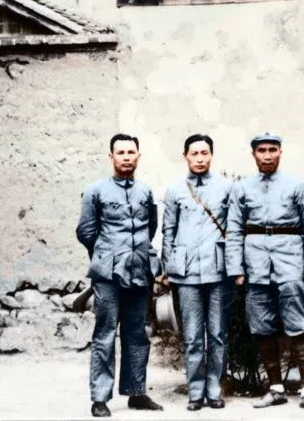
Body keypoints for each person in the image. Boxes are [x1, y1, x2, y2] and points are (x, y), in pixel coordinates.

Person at [225, 133, 304, 412]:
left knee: (300, 324)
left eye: (272, 150)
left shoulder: (297, 185)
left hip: (290, 261)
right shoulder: (242, 188)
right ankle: (276, 389)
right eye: (262, 150)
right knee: (262, 326)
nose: (267, 155)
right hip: (256, 264)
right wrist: (236, 268)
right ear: (253, 154)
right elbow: (233, 230)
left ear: (280, 153)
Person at [75, 133, 164, 418]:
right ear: (110, 156)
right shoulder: (95, 191)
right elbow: (86, 231)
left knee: (137, 334)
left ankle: (136, 392)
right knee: (104, 334)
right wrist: (105, 255)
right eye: (121, 152)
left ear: (139, 156)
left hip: (140, 271)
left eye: (131, 152)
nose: (126, 157)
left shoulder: (145, 191)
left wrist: (135, 254)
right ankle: (100, 398)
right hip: (108, 275)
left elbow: (151, 227)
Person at [161, 134, 234, 411]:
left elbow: (234, 229)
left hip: (219, 270)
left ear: (212, 156)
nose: (200, 158)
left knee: (217, 333)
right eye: (195, 154)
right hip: (187, 271)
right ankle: (195, 392)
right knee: (192, 334)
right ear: (186, 157)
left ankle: (214, 389)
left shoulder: (227, 188)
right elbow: (168, 231)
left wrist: (235, 267)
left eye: (205, 153)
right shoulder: (175, 190)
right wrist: (168, 267)